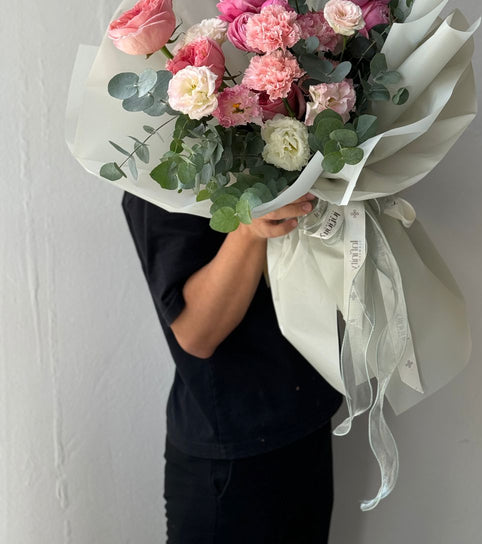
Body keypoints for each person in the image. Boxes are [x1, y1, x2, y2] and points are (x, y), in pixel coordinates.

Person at [121, 189, 343, 543]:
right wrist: (248, 227)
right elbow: (197, 333)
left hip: (306, 414)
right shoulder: (162, 159)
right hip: (232, 454)